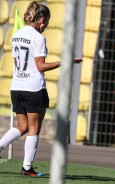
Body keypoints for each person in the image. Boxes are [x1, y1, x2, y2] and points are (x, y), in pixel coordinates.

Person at [0, 1, 81, 177]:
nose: (47, 26)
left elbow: (16, 61)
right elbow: (41, 66)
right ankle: (27, 167)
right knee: (34, 128)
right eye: (47, 21)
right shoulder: (38, 38)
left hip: (17, 86)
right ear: (41, 19)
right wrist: (64, 61)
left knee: (22, 126)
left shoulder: (16, 34)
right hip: (33, 88)